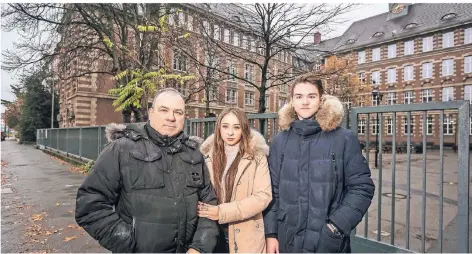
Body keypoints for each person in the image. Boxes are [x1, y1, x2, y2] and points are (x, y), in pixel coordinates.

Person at [75, 88, 219, 253]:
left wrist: (199, 248)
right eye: (164, 110)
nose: (171, 117)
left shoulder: (194, 154)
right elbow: (90, 206)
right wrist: (129, 244)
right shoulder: (122, 149)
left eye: (178, 112)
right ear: (151, 113)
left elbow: (209, 205)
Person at [264, 75, 375, 253]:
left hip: (327, 242)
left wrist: (336, 226)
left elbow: (362, 187)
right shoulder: (280, 140)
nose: (305, 102)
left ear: (321, 99)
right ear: (292, 100)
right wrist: (271, 233)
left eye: (312, 96)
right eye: (299, 96)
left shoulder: (343, 138)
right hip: (287, 238)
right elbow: (271, 190)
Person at [197, 107, 272, 253]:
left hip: (245, 233)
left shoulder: (256, 156)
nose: (230, 132)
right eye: (225, 126)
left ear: (243, 129)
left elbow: (263, 196)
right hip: (211, 231)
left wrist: (222, 212)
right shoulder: (206, 154)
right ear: (219, 128)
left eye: (236, 127)